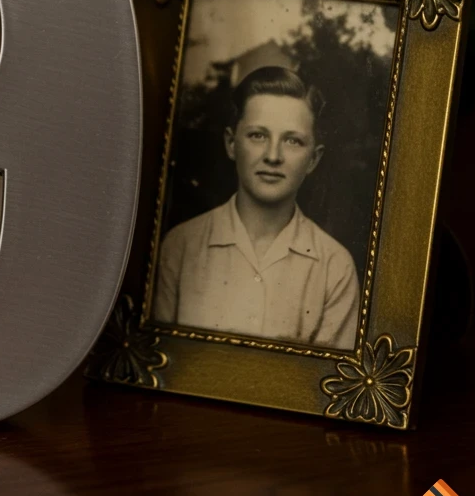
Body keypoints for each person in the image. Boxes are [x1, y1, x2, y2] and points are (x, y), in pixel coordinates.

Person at [153, 66, 360, 350]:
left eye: (292, 140)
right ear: (231, 144)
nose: (273, 156)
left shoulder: (335, 268)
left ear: (313, 159)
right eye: (258, 136)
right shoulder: (180, 247)